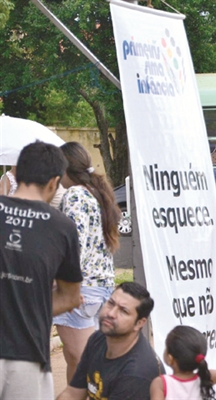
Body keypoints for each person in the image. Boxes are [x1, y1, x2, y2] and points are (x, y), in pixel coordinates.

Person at [0, 142, 82, 400]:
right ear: (53, 182)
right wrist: (28, 302)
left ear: (16, 172)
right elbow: (70, 297)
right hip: (27, 354)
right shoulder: (62, 227)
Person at [53, 142, 122, 383]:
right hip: (101, 288)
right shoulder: (97, 193)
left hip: (81, 289)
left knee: (79, 362)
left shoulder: (74, 195)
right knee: (87, 360)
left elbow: (76, 244)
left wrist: (69, 283)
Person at [57, 282, 165, 400]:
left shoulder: (136, 373)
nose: (111, 313)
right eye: (111, 303)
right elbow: (72, 394)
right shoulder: (99, 339)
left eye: (123, 311)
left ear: (139, 323)